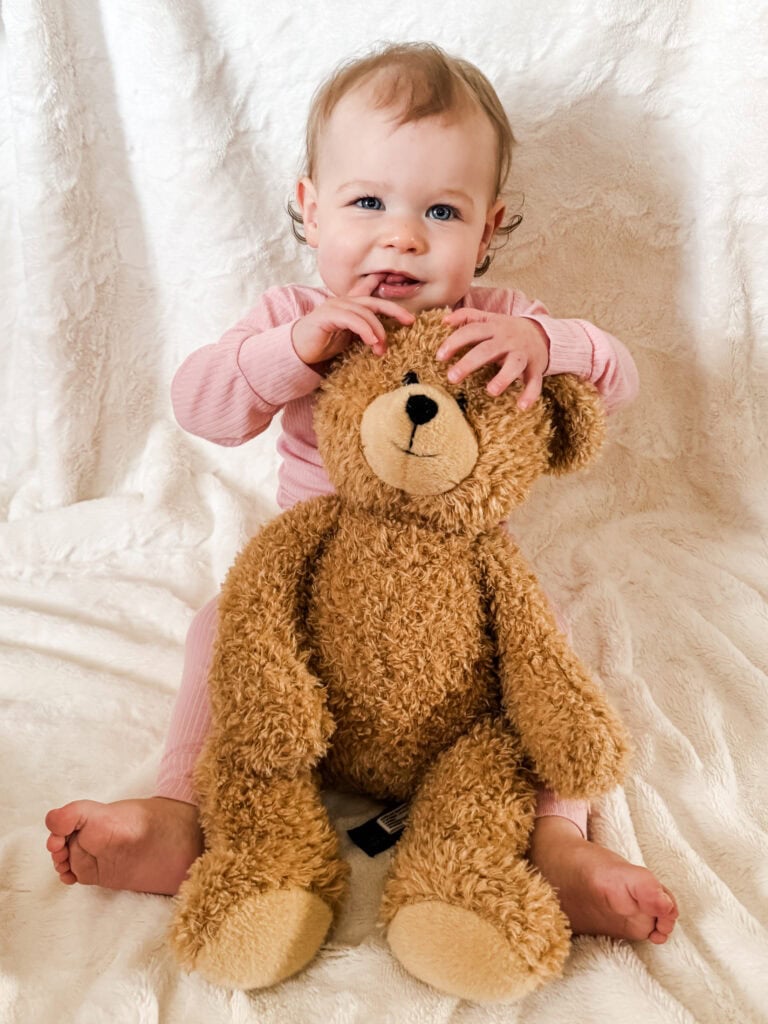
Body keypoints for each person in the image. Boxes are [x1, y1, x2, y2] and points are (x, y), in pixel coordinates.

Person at [45, 41, 677, 945]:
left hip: (457, 600)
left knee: (550, 649)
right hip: (316, 594)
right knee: (219, 624)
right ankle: (179, 805)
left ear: (488, 230)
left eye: (442, 211)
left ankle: (559, 837)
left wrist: (558, 348)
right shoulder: (289, 320)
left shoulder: (500, 323)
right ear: (310, 210)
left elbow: (618, 380)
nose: (402, 236)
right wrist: (290, 354)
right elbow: (201, 404)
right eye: (368, 202)